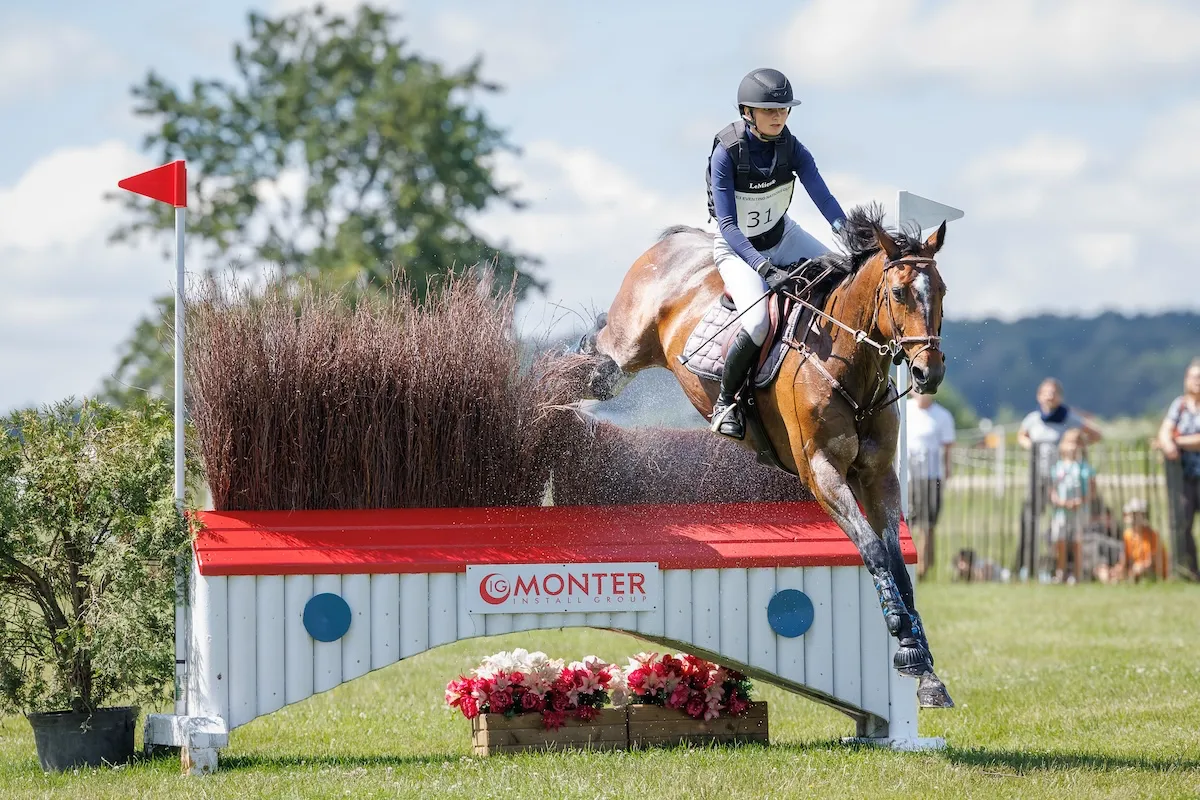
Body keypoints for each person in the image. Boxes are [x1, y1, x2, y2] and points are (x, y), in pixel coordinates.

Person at [706, 67, 847, 440]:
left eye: (783, 110)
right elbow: (728, 226)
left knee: (846, 276)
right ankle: (725, 402)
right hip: (738, 249)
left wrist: (850, 237)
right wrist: (764, 268)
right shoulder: (727, 153)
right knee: (757, 324)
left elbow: (825, 199)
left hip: (784, 235)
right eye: (769, 110)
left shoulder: (793, 148)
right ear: (747, 113)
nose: (778, 116)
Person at [1014, 378, 1102, 576]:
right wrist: (1031, 446)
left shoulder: (1069, 417)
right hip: (1038, 477)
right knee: (1031, 521)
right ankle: (1027, 566)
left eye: (1054, 392)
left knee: (1063, 527)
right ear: (1039, 396)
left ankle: (1064, 568)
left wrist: (1077, 446)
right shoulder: (1033, 419)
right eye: (1046, 392)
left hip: (1063, 480)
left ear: (1060, 396)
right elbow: (1021, 435)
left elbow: (1096, 434)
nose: (1050, 396)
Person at [1156, 358, 1200, 580]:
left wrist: (1178, 441)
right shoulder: (1179, 405)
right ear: (1186, 380)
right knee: (1183, 524)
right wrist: (1168, 442)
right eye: (1194, 377)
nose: (1198, 382)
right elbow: (1165, 430)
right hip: (1185, 477)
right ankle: (1191, 571)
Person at [906, 393, 956, 579]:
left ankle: (923, 566)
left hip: (931, 476)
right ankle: (909, 562)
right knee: (909, 520)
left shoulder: (942, 415)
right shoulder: (905, 409)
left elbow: (948, 447)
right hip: (909, 475)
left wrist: (947, 471)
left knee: (927, 524)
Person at [1048, 429, 1096, 584]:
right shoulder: (1058, 468)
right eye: (1070, 443)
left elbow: (1092, 490)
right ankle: (1060, 572)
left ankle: (1077, 574)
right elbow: (1052, 489)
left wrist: (1080, 501)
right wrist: (1059, 501)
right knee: (1059, 541)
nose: (1073, 447)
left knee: (1077, 543)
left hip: (1079, 511)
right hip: (1061, 512)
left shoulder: (1085, 468)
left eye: (1077, 443)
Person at [1104, 498, 1168, 582]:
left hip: (1152, 573)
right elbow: (1124, 560)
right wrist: (1118, 570)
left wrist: (1135, 569)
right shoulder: (1127, 535)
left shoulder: (1153, 536)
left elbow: (1151, 563)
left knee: (1137, 569)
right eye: (1131, 514)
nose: (1133, 517)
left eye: (1136, 514)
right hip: (1135, 570)